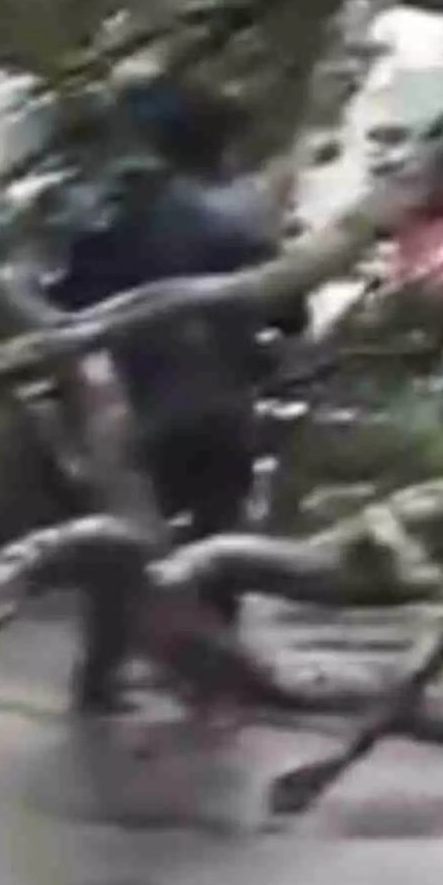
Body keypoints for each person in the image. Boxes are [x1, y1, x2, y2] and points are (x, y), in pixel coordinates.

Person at [48, 72, 279, 712]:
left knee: (121, 541)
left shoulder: (111, 216)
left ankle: (100, 676)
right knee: (220, 540)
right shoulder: (235, 223)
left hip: (130, 402)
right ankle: (213, 676)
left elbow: (63, 303)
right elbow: (290, 311)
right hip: (219, 405)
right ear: (222, 148)